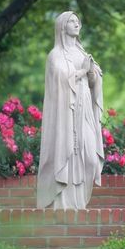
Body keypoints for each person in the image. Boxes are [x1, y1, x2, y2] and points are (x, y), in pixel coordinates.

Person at [37, 11, 104, 209]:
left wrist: (92, 74)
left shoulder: (82, 53)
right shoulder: (55, 55)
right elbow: (59, 82)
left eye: (78, 21)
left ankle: (79, 203)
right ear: (62, 26)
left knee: (91, 159)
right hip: (65, 113)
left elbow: (93, 84)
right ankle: (64, 204)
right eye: (72, 21)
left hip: (84, 110)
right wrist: (82, 71)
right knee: (66, 155)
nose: (77, 24)